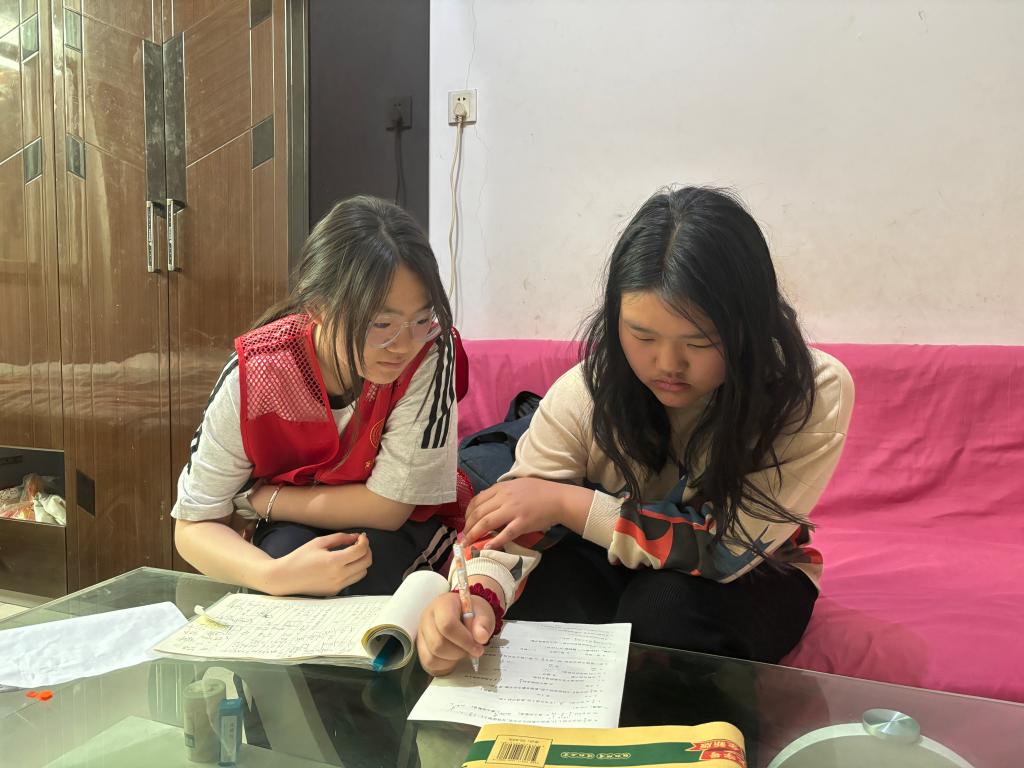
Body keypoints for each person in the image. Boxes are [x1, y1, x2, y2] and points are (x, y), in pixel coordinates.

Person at [417, 186, 854, 674]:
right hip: (618, 556)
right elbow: (513, 523)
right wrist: (474, 601)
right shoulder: (587, 392)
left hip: (751, 574)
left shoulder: (808, 391)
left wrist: (566, 503)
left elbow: (727, 551)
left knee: (662, 613)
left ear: (750, 327)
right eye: (643, 336)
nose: (668, 364)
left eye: (699, 342)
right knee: (533, 603)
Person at [173, 195, 466, 597]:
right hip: (292, 526)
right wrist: (273, 575)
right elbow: (193, 524)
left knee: (371, 573)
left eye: (421, 319)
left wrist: (263, 499)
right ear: (317, 307)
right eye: (381, 324)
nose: (403, 346)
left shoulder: (430, 352)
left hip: (404, 524)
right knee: (283, 566)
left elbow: (390, 508)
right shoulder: (258, 374)